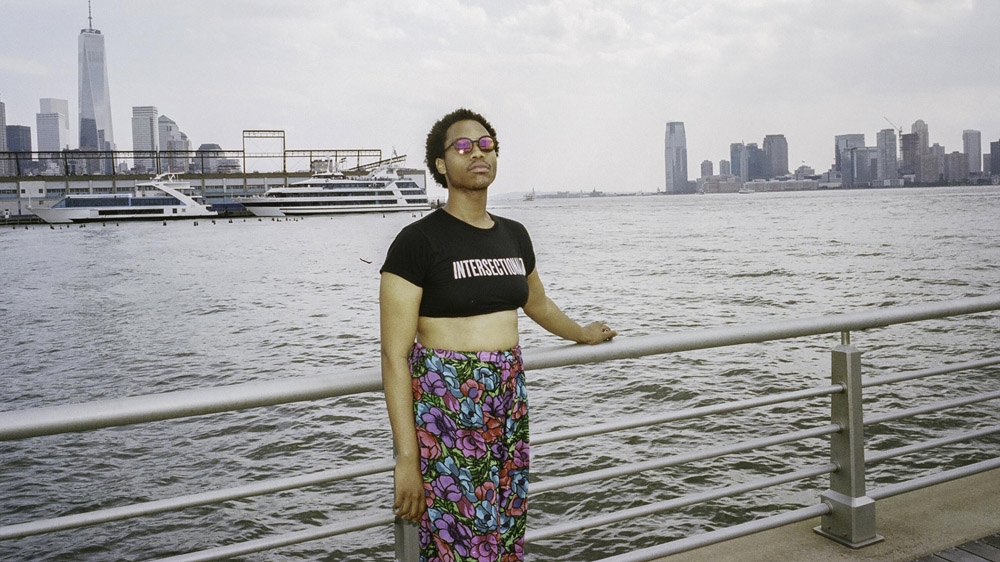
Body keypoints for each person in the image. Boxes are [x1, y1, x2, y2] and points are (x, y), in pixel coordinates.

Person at [380, 108, 616, 561]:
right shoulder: (417, 242)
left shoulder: (514, 235)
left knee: (507, 530)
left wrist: (582, 333)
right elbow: (394, 355)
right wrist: (407, 459)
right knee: (461, 542)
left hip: (508, 398)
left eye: (486, 144)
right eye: (462, 146)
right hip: (448, 406)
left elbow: (537, 303)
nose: (477, 153)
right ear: (441, 164)